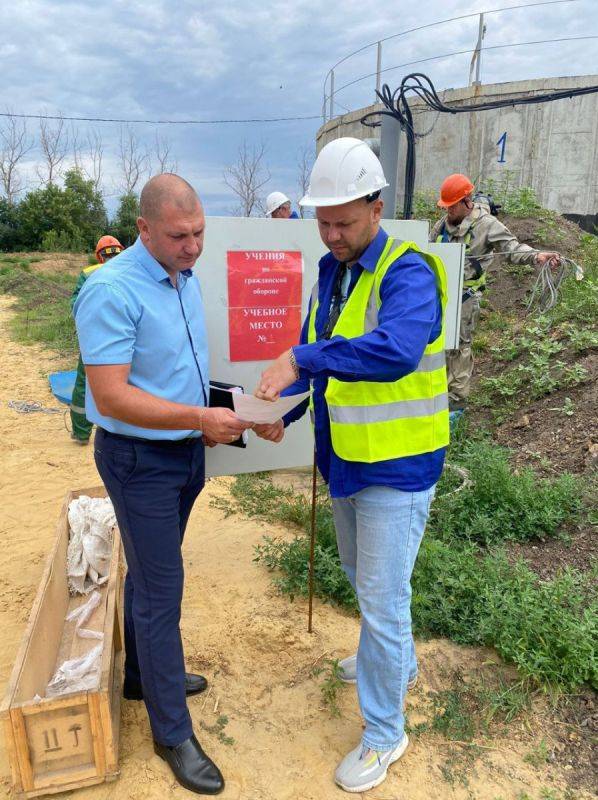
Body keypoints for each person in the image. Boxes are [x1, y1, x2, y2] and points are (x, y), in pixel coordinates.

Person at [253, 138, 449, 793]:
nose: (332, 234)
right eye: (323, 221)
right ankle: (397, 663)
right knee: (362, 580)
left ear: (377, 205)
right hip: (345, 459)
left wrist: (302, 363)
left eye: (345, 221)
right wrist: (289, 407)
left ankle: (384, 734)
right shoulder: (331, 271)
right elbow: (321, 349)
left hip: (399, 466)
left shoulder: (410, 271)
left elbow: (393, 351)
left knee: (382, 599)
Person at [74, 173, 252, 796]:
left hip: (183, 454)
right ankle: (170, 730)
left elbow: (181, 369)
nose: (193, 246)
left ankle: (144, 677)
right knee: (161, 587)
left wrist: (232, 412)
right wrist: (199, 418)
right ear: (144, 230)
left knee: (153, 574)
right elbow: (111, 393)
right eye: (179, 236)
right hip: (138, 461)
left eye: (199, 232)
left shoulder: (183, 277)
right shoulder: (110, 289)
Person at [430, 173, 560, 412]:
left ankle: (456, 402)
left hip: (465, 298)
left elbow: (511, 248)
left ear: (466, 201)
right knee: (436, 343)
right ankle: (437, 391)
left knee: (458, 346)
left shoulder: (487, 225)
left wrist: (536, 256)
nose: (447, 211)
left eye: (451, 206)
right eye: (445, 206)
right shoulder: (442, 225)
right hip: (438, 296)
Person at [69, 235, 124, 444]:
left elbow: (76, 305)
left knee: (85, 382)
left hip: (95, 339)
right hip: (127, 337)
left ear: (99, 256)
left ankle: (82, 433)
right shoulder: (133, 270)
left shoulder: (88, 273)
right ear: (121, 251)